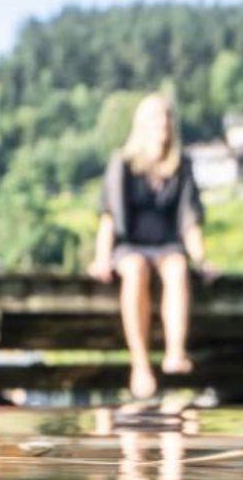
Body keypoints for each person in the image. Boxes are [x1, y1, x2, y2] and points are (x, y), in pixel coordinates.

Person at [88, 94, 213, 401]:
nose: (163, 124)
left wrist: (202, 260)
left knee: (178, 268)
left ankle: (175, 352)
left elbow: (190, 221)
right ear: (142, 124)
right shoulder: (123, 163)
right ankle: (140, 364)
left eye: (167, 117)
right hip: (129, 246)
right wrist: (102, 258)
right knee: (136, 270)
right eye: (156, 118)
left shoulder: (181, 166)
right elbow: (109, 215)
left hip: (167, 246)